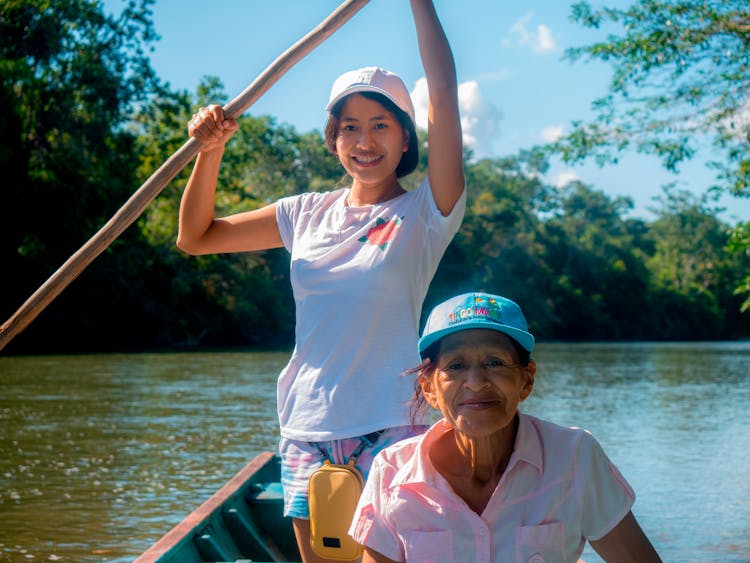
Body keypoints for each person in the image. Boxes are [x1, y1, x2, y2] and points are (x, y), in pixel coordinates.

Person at [177, 1, 464, 561]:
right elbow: (196, 237)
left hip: (390, 422)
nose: (365, 139)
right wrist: (208, 153)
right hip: (307, 424)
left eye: (381, 124)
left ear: (406, 138)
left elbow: (445, 98)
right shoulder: (303, 213)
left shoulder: (427, 213)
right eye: (350, 127)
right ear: (332, 140)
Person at [349, 292, 662, 563]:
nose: (476, 382)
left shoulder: (574, 457)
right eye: (455, 366)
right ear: (429, 389)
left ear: (526, 380)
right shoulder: (392, 473)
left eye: (495, 362)